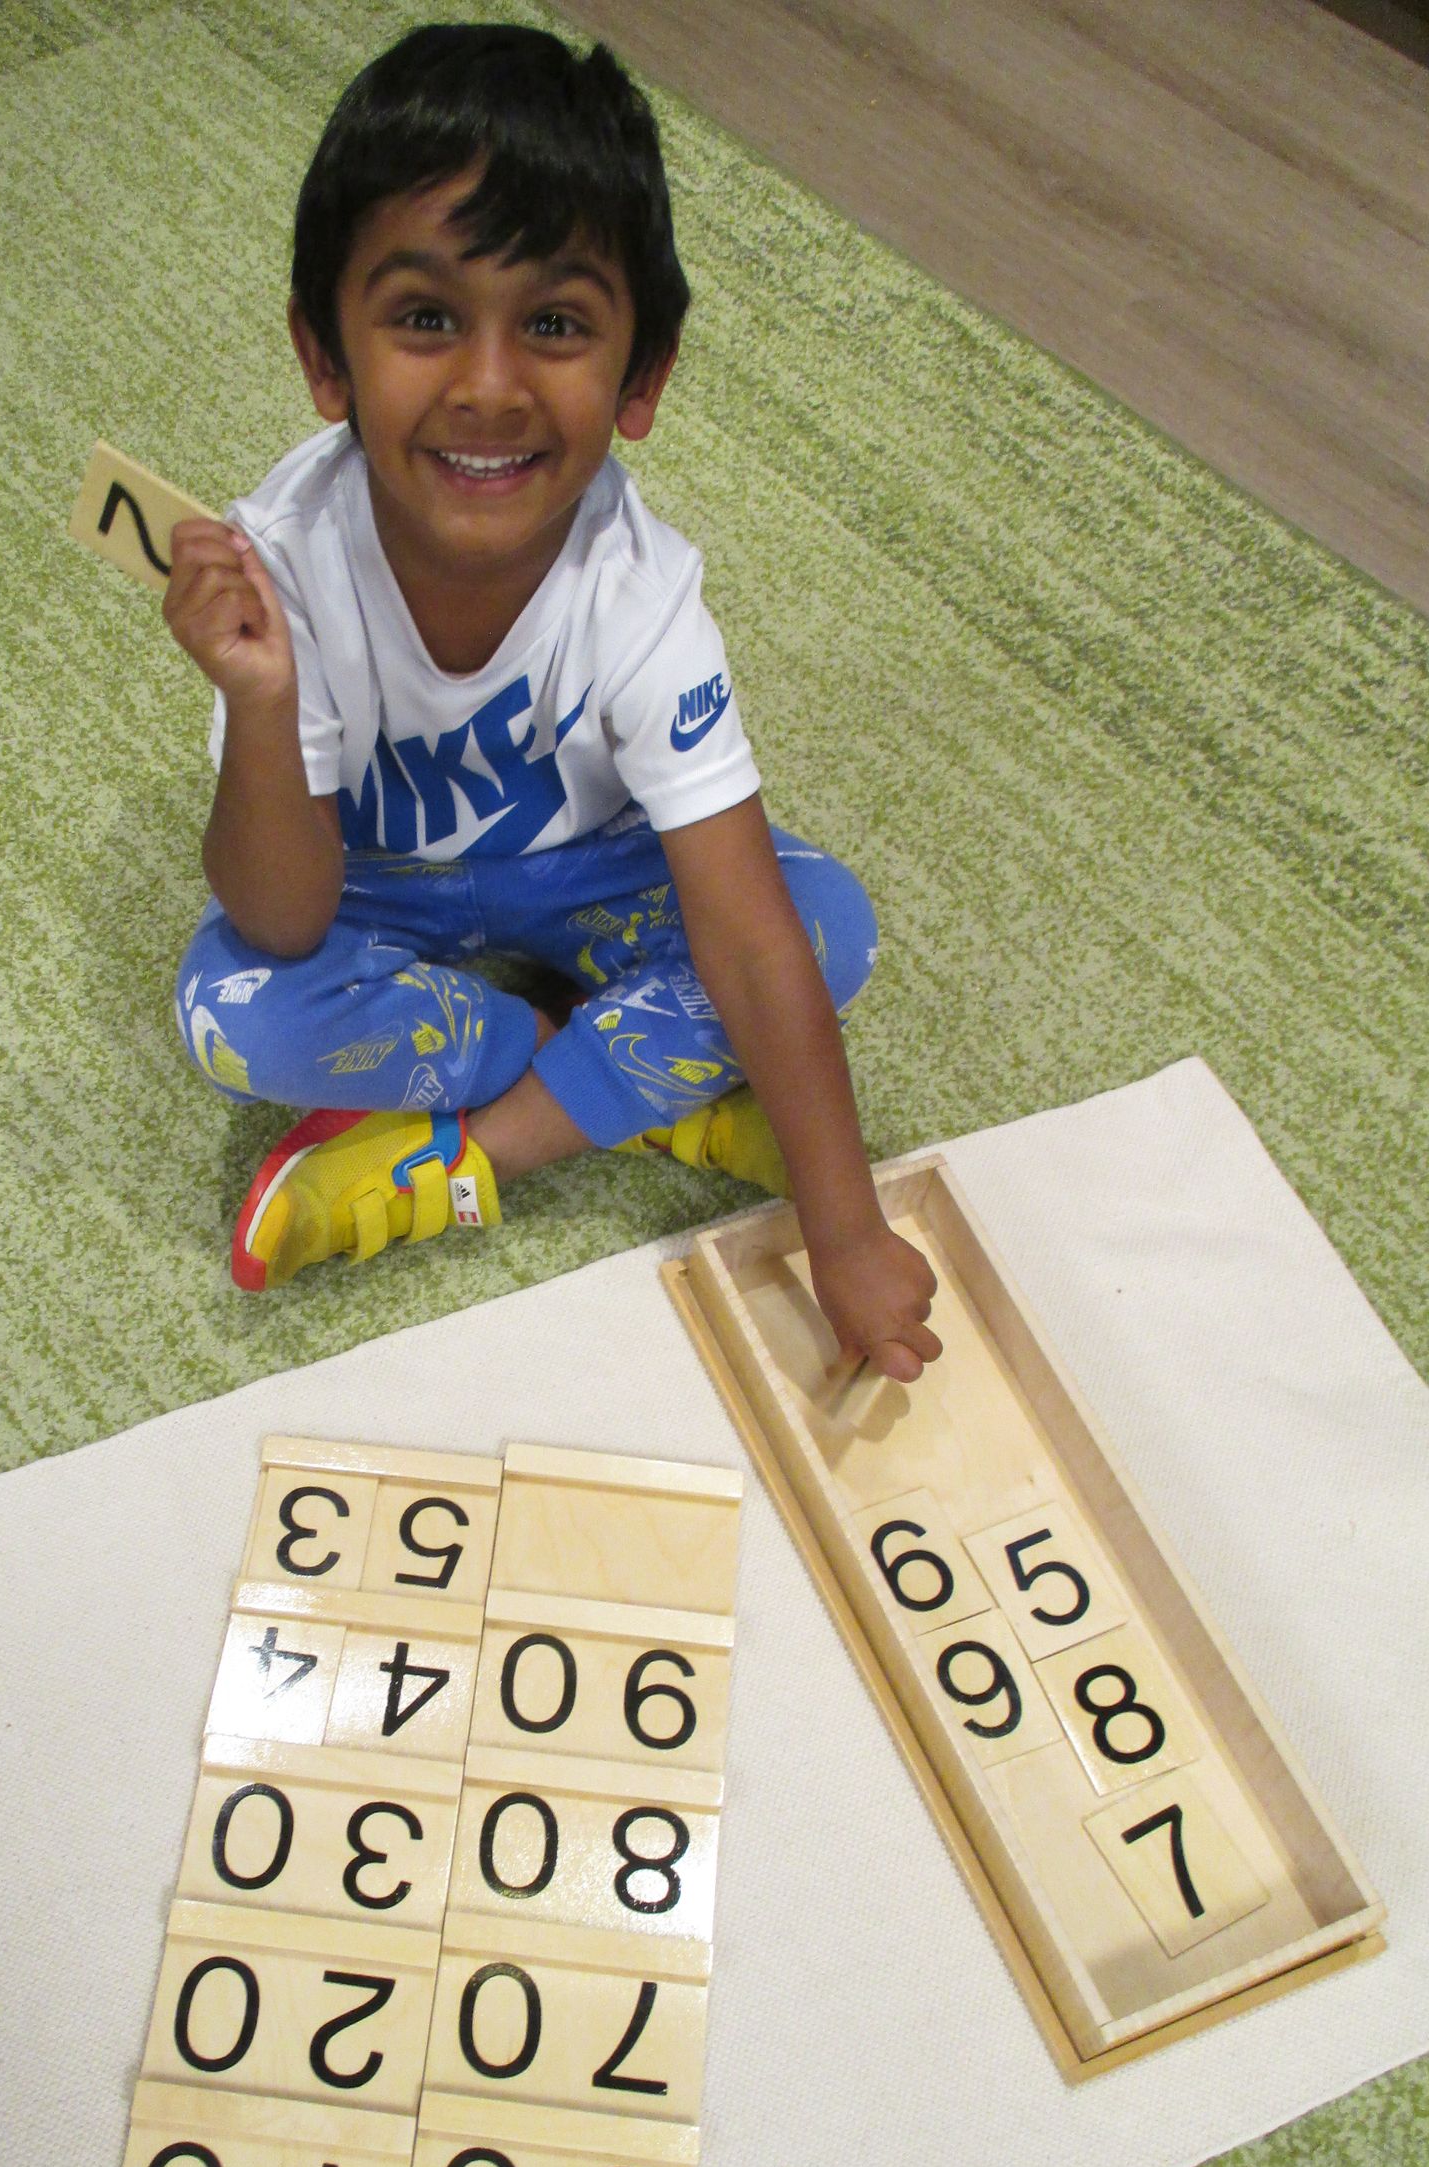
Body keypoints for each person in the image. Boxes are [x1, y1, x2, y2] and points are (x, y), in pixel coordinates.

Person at [164, 22, 941, 1381]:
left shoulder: (638, 588)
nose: (487, 385)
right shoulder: (279, 562)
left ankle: (488, 1145)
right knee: (230, 1009)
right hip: (370, 888)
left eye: (558, 326)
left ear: (642, 381)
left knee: (824, 929)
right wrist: (266, 702)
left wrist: (847, 1229)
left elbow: (754, 940)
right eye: (422, 318)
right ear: (323, 357)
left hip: (591, 875)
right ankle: (623, 1084)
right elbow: (279, 915)